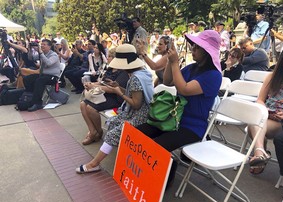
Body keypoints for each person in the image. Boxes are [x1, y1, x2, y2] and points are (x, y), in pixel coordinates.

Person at [136, 30, 222, 185]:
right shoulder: (192, 68)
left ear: (207, 52)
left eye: (197, 47)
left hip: (193, 127)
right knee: (137, 134)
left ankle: (165, 175)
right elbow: (168, 81)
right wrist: (170, 60)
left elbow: (184, 89)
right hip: (173, 119)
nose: (192, 49)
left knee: (157, 147)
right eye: (193, 46)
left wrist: (175, 63)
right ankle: (151, 171)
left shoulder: (214, 75)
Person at [75, 44, 154, 173]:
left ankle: (94, 164)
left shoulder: (135, 78)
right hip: (139, 112)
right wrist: (118, 87)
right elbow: (134, 94)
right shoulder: (143, 72)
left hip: (140, 116)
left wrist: (119, 92)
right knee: (112, 123)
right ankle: (122, 153)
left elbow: (136, 104)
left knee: (112, 133)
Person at [248, 46, 283, 174]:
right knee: (256, 119)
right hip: (267, 115)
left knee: (253, 125)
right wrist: (265, 110)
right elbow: (260, 99)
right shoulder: (272, 77)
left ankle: (259, 153)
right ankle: (260, 153)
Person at [80, 48, 130, 145]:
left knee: (90, 108)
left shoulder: (122, 72)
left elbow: (114, 89)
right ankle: (93, 131)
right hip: (104, 95)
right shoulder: (110, 69)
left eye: (110, 56)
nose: (108, 58)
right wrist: (91, 84)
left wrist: (94, 86)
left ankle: (98, 132)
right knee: (83, 104)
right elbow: (102, 82)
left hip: (116, 98)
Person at [23, 39, 61, 112]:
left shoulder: (54, 55)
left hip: (53, 77)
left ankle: (37, 103)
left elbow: (48, 63)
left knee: (39, 81)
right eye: (42, 44)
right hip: (43, 75)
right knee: (27, 79)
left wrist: (41, 53)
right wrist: (31, 49)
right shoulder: (42, 54)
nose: (42, 46)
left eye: (44, 44)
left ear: (49, 46)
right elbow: (31, 58)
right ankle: (30, 97)